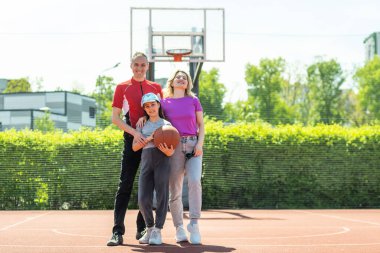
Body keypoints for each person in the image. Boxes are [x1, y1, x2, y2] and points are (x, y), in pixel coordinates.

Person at [107, 52, 163, 246]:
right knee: (125, 184)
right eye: (136, 65)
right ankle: (117, 231)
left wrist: (147, 124)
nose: (139, 68)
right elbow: (115, 118)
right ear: (131, 66)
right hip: (132, 139)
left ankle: (142, 228)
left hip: (151, 141)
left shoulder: (155, 88)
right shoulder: (122, 87)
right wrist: (134, 132)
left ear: (147, 66)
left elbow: (159, 112)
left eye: (143, 65)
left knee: (147, 186)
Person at [161, 70, 205, 244]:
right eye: (178, 77)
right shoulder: (164, 102)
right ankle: (179, 227)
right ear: (172, 82)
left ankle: (194, 223)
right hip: (173, 146)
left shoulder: (193, 100)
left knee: (195, 180)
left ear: (187, 83)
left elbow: (201, 125)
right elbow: (156, 120)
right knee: (175, 189)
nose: (181, 79)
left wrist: (200, 144)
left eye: (184, 78)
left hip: (194, 144)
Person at [133, 92, 174, 245]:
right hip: (146, 161)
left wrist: (167, 151)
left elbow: (172, 150)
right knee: (143, 199)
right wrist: (149, 139)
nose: (150, 108)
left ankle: (157, 230)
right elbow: (135, 147)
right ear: (144, 108)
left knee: (162, 196)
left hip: (162, 160)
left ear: (158, 105)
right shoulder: (141, 124)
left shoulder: (167, 125)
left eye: (153, 104)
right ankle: (149, 228)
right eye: (147, 106)